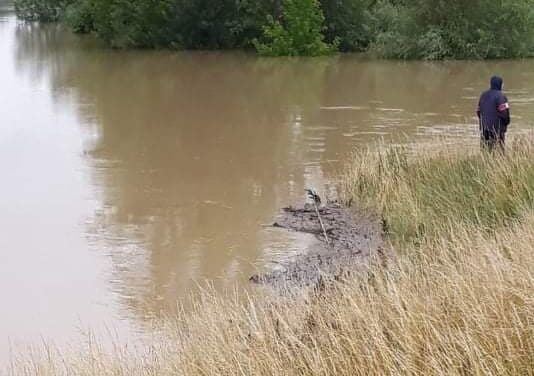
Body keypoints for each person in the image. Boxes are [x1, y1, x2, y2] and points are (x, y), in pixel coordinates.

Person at [477, 76, 511, 152]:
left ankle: (484, 162)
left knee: (485, 150)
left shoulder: (483, 95)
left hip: (484, 128)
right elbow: (505, 113)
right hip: (497, 129)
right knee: (499, 151)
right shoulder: (501, 96)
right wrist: (506, 123)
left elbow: (478, 111)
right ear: (500, 84)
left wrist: (484, 121)